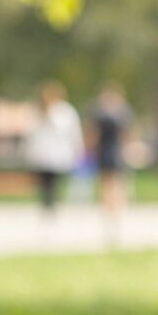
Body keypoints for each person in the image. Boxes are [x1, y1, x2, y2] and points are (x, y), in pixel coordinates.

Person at [23, 80, 83, 215]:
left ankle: (52, 206)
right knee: (44, 184)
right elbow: (31, 134)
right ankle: (46, 207)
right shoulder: (36, 110)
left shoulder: (65, 111)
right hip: (41, 155)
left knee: (54, 183)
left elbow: (72, 132)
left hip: (58, 155)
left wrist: (77, 149)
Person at [88, 81, 133, 225]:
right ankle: (115, 210)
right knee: (116, 182)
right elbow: (125, 134)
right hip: (115, 150)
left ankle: (109, 210)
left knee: (107, 182)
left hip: (105, 150)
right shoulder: (121, 113)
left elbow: (93, 134)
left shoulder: (100, 113)